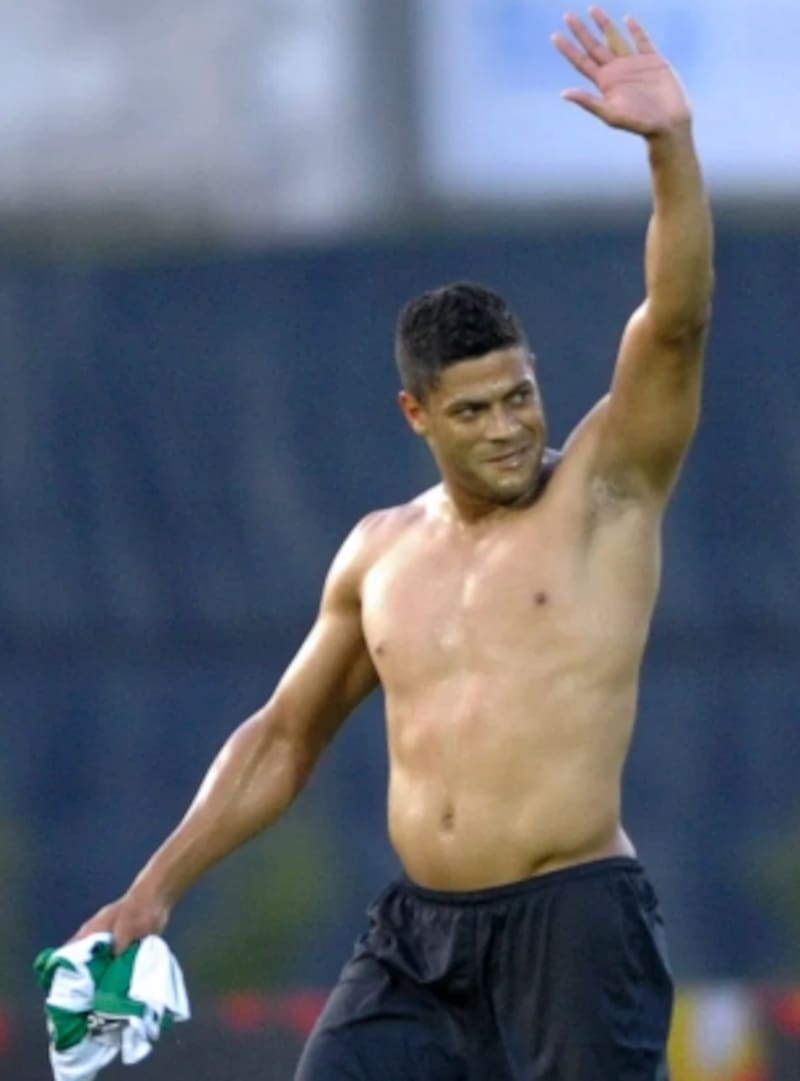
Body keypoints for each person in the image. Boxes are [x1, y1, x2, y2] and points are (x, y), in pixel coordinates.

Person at [74, 8, 714, 1079]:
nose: (508, 427)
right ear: (417, 415)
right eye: (473, 410)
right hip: (418, 943)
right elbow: (283, 736)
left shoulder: (605, 491)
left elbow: (677, 320)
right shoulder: (379, 552)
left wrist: (669, 149)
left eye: (518, 395)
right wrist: (151, 892)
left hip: (572, 926)